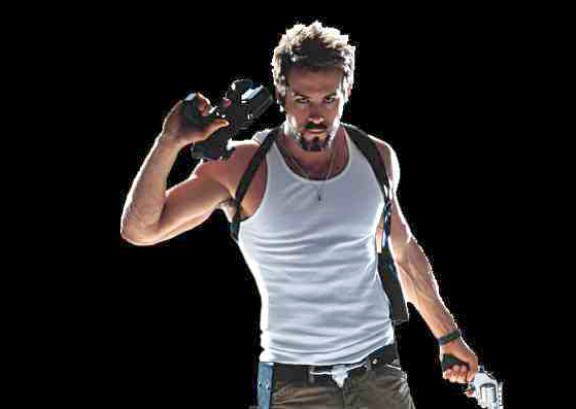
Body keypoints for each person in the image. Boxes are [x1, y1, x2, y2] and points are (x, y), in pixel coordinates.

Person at [121, 20, 480, 409]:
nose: (316, 115)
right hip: (295, 385)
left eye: (329, 99)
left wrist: (448, 337)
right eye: (302, 100)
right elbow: (142, 230)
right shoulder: (241, 167)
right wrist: (169, 142)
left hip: (380, 373)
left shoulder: (376, 157)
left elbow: (404, 251)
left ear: (347, 92)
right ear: (281, 94)